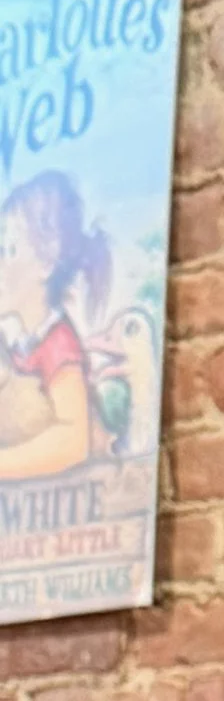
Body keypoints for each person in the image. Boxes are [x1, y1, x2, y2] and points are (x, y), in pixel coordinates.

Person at [0, 171, 109, 479]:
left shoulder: (57, 343)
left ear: (46, 265)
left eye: (9, 251)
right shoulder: (18, 342)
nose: (0, 264)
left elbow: (73, 441)